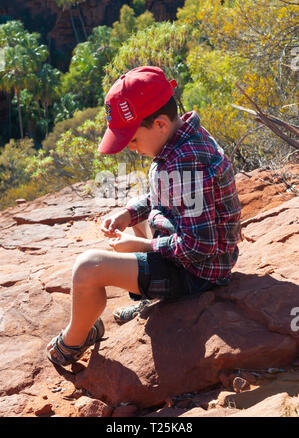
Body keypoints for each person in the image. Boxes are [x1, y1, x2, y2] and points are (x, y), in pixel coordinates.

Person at [46, 66, 241, 366]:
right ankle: (149, 298)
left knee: (87, 269)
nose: (132, 149)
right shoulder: (182, 140)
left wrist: (143, 247)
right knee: (138, 214)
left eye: (133, 140)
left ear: (160, 124)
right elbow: (166, 195)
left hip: (199, 274)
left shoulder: (186, 165)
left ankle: (75, 339)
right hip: (193, 253)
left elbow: (200, 246)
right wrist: (129, 212)